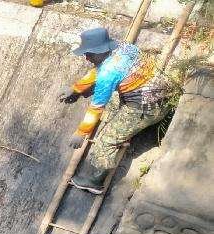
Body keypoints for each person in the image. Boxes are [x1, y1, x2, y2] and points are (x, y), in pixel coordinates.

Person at [59, 27, 172, 194]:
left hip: (149, 107)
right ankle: (122, 130)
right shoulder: (124, 47)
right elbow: (98, 70)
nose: (86, 57)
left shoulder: (108, 74)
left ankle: (95, 181)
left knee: (106, 140)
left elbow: (96, 108)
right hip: (157, 91)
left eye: (89, 53)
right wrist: (76, 89)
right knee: (112, 101)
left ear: (100, 51)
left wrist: (81, 132)